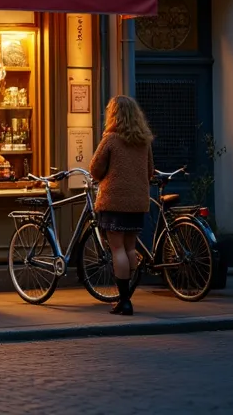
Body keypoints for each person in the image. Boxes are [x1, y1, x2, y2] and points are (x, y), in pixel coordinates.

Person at [90, 95, 155, 316]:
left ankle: (124, 300)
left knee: (117, 249)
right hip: (137, 203)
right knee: (129, 248)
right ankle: (128, 296)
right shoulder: (143, 141)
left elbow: (95, 169)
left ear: (113, 115)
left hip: (114, 201)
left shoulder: (110, 140)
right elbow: (150, 171)